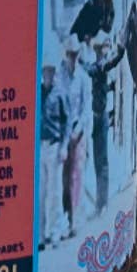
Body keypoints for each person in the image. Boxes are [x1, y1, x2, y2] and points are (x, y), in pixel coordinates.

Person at [83, 30, 125, 215]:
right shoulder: (98, 67)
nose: (104, 52)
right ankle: (101, 202)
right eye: (103, 49)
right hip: (96, 116)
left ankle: (102, 203)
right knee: (99, 161)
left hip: (99, 117)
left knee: (101, 162)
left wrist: (121, 51)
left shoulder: (98, 67)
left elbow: (103, 66)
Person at [58, 34, 91, 237]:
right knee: (62, 177)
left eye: (75, 54)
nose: (72, 57)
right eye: (69, 54)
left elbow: (86, 109)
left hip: (78, 133)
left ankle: (74, 219)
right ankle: (63, 217)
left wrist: (79, 130)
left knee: (76, 176)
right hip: (63, 133)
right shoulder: (58, 77)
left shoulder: (84, 78)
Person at [39, 48, 68, 249]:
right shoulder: (38, 92)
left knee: (54, 192)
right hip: (39, 146)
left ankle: (55, 231)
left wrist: (64, 147)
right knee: (40, 193)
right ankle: (41, 235)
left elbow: (67, 122)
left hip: (55, 146)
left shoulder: (60, 94)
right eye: (45, 71)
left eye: (50, 71)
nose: (48, 74)